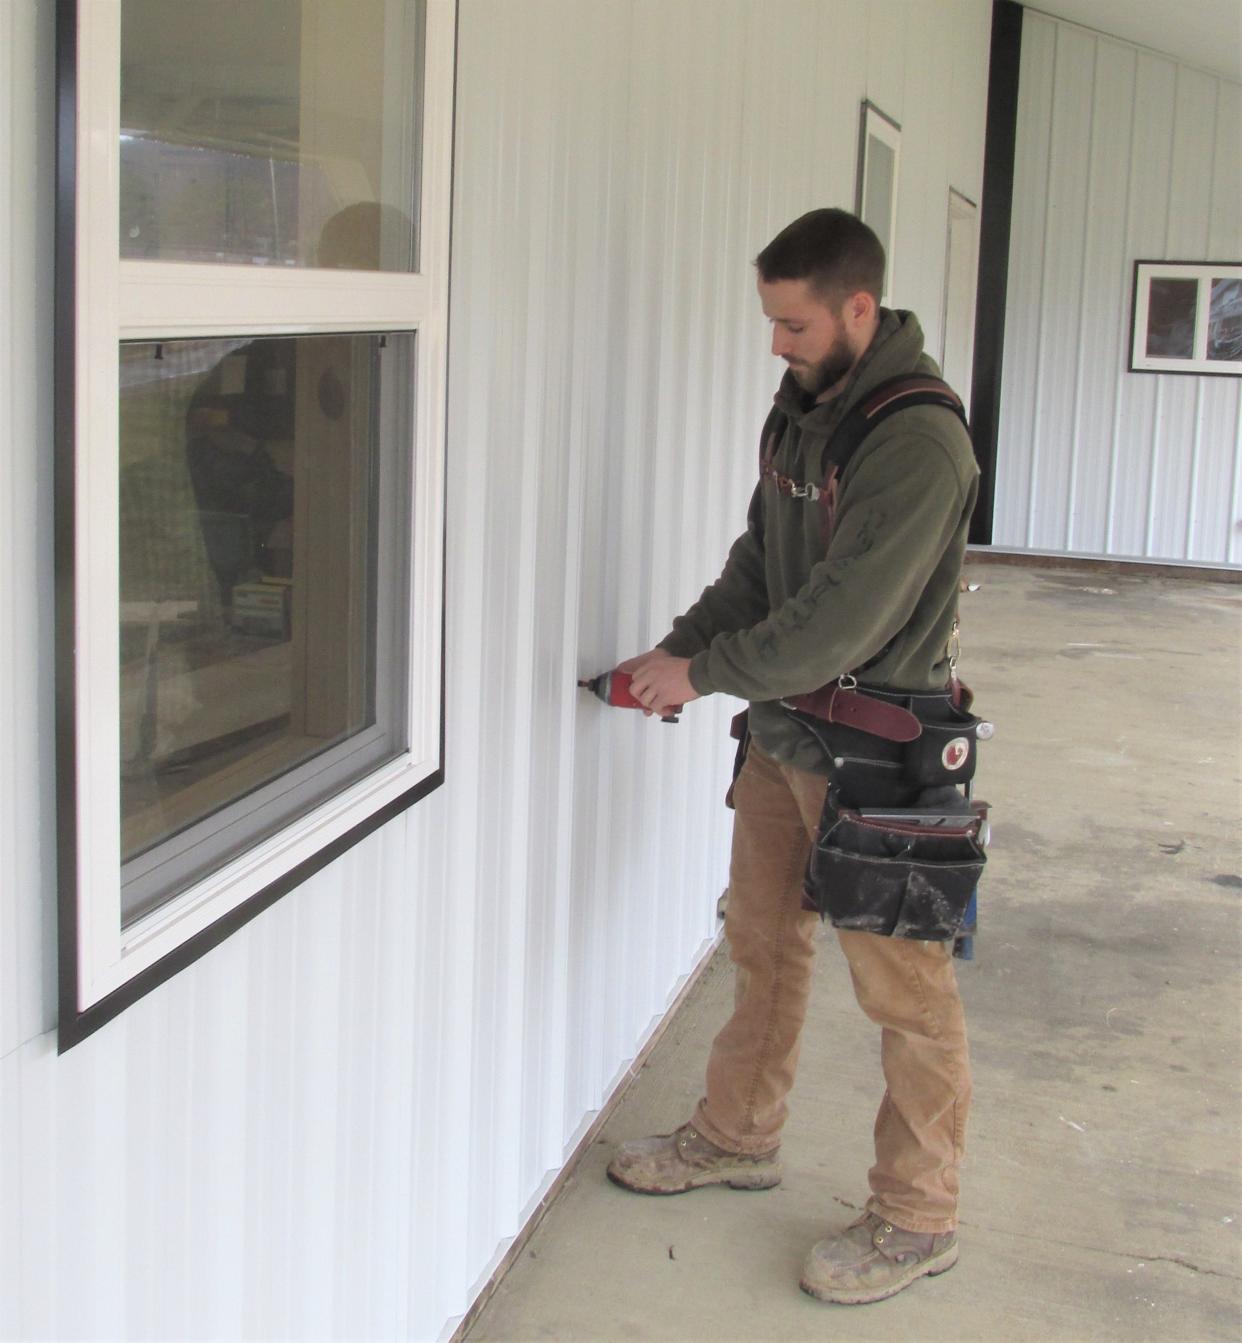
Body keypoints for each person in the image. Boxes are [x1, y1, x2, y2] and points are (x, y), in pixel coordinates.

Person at [606, 208, 979, 1306]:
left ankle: (917, 1214)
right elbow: (758, 564)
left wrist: (706, 671)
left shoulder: (916, 440)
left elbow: (836, 624)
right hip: (782, 735)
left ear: (859, 309)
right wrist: (677, 648)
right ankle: (737, 1133)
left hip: (875, 755)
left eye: (795, 323)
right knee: (764, 943)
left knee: (905, 994)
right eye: (772, 321)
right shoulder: (807, 410)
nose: (778, 343)